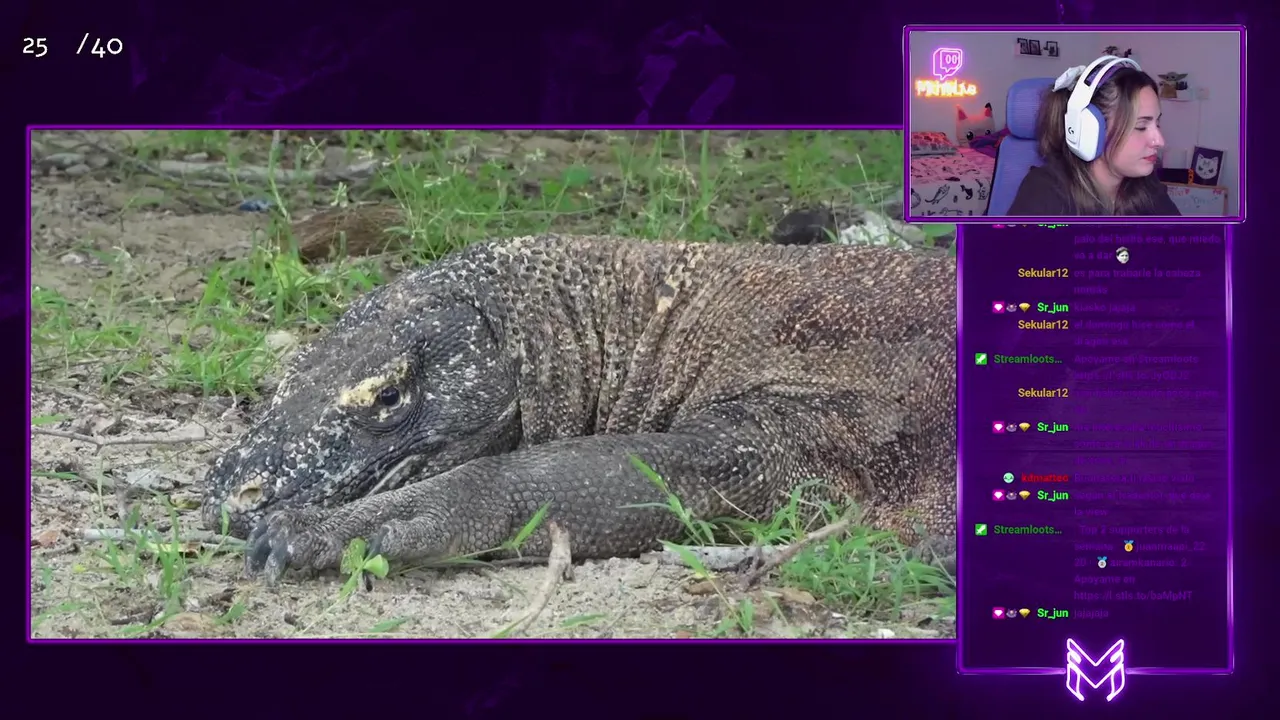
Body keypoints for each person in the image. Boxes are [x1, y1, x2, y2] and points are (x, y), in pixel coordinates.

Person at [1006, 57, 1181, 216]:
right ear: (1090, 130)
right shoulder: (1044, 193)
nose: (1159, 141)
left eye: (1157, 124)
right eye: (1141, 127)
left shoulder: (1147, 186)